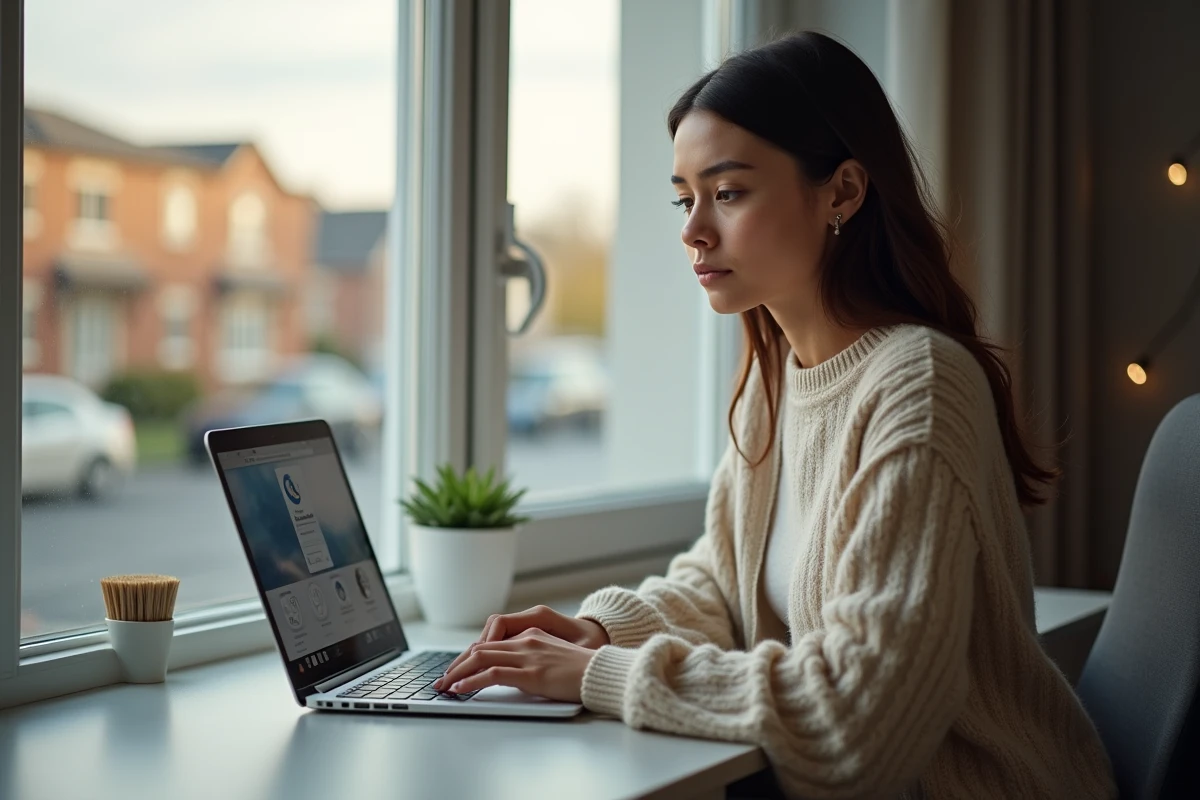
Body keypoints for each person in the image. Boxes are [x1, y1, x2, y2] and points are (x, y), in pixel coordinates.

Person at [435, 31, 1116, 799]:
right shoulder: (776, 379)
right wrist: (600, 632)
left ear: (843, 192)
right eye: (684, 198)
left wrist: (601, 674)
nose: (693, 229)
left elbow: (859, 729)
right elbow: (722, 587)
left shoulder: (919, 387)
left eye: (727, 193)